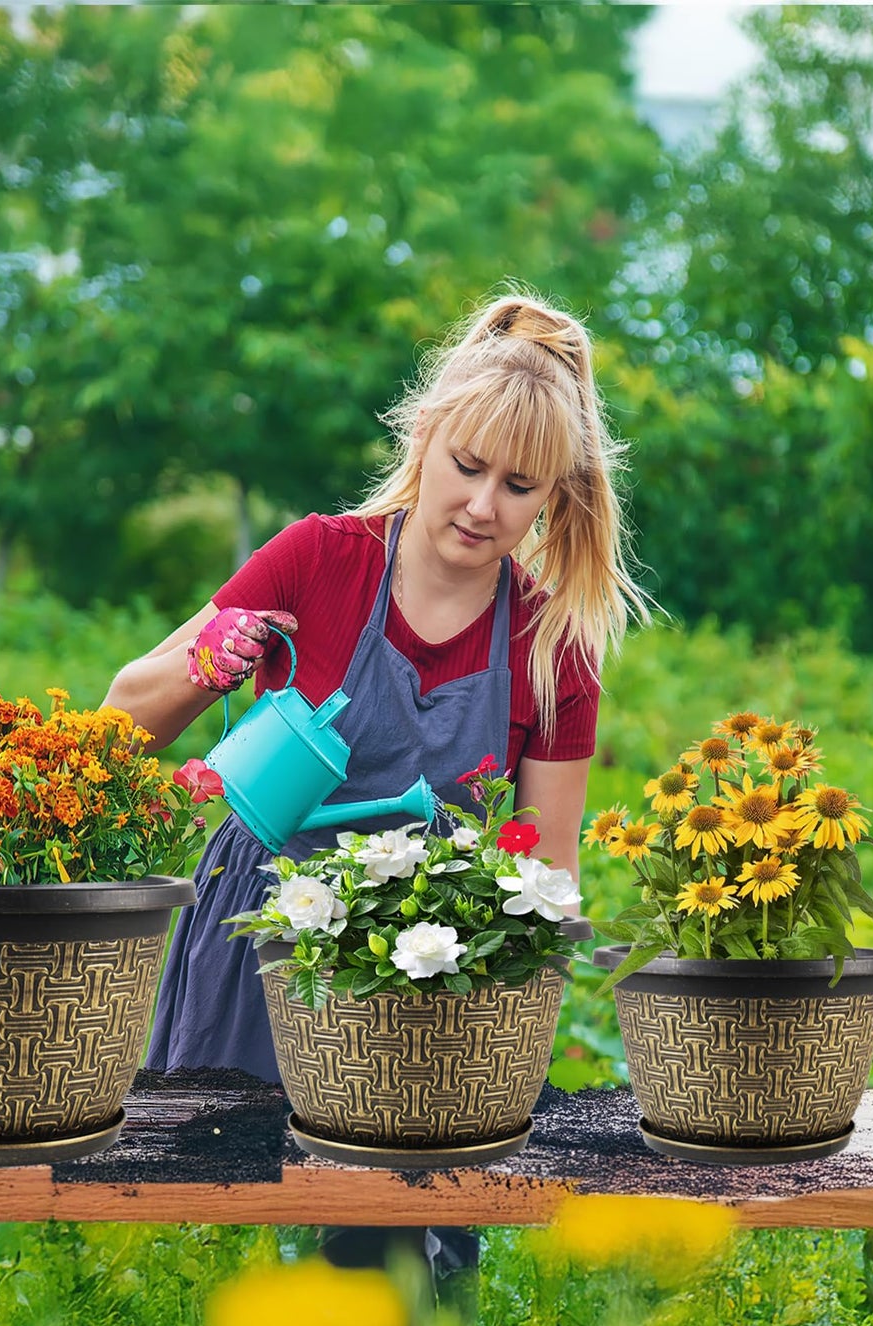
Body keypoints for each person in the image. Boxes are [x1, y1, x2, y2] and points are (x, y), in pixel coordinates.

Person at [104, 290, 649, 1080]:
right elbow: (120, 722)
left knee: (400, 1200)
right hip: (259, 942)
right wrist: (203, 666)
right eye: (466, 465)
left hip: (424, 977)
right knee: (220, 1179)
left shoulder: (552, 646)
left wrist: (509, 1045)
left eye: (519, 486)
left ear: (554, 494)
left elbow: (549, 871)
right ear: (423, 437)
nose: (482, 504)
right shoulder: (316, 561)